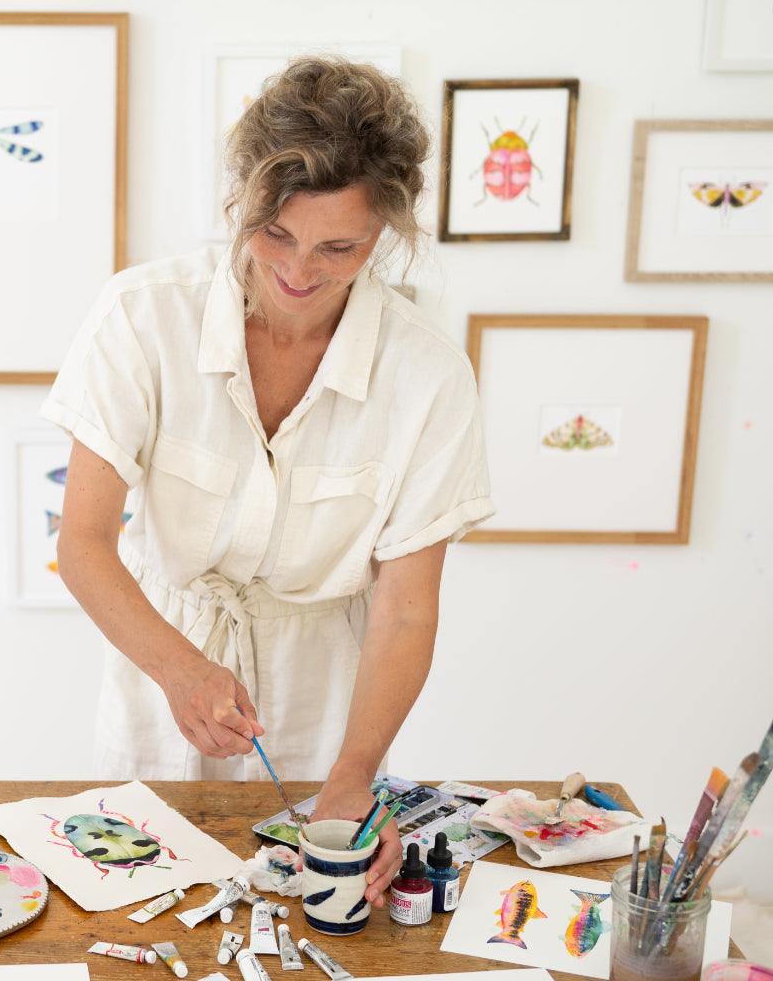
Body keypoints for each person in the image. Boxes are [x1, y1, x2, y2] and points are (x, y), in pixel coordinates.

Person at [41, 56, 495, 905]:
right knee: (135, 904)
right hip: (161, 662)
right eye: (275, 234)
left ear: (386, 235)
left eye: (339, 248)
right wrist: (180, 671)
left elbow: (406, 606)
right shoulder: (142, 317)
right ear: (243, 200)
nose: (298, 272)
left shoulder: (427, 373)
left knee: (319, 913)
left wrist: (354, 774)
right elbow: (85, 544)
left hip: (334, 695)